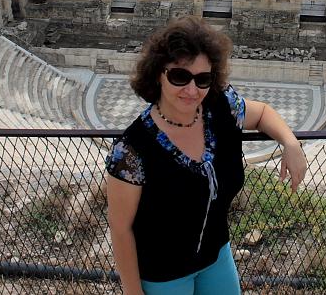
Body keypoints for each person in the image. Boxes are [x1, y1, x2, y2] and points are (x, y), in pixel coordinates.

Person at [106, 16, 308, 295]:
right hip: (163, 273)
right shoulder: (132, 150)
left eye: (203, 79)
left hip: (216, 257)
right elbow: (120, 228)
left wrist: (290, 143)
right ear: (158, 74)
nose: (192, 90)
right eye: (180, 76)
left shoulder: (222, 107)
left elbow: (261, 113)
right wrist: (133, 292)